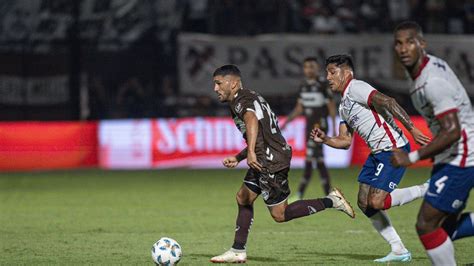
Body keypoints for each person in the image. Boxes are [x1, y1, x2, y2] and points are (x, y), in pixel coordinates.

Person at [210, 64, 355, 264]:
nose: (215, 89)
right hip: (267, 156)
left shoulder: (240, 101)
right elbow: (262, 134)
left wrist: (250, 152)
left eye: (218, 83)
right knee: (243, 197)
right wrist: (240, 156)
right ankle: (237, 250)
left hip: (270, 161)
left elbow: (251, 121)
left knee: (280, 215)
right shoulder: (250, 96)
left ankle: (331, 201)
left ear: (233, 83)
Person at [311, 54, 431, 263]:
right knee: (364, 203)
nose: (328, 77)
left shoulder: (356, 87)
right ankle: (399, 250)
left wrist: (411, 128)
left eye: (332, 72)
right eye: (327, 73)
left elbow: (388, 101)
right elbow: (345, 141)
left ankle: (426, 189)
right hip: (378, 153)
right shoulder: (343, 105)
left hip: (393, 148)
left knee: (376, 201)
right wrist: (325, 139)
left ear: (346, 72)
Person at [391, 21, 474, 265]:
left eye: (409, 42)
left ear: (422, 44)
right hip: (452, 154)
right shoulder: (420, 72)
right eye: (398, 43)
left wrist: (412, 157)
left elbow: (452, 131)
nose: (403, 48)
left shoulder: (431, 81)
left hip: (463, 154)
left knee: (426, 225)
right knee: (444, 229)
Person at [281, 57, 336, 200]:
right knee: (318, 160)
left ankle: (300, 193)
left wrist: (335, 128)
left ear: (317, 68)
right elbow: (299, 108)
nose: (309, 69)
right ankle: (329, 194)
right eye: (306, 67)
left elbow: (331, 106)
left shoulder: (323, 84)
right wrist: (287, 121)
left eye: (312, 66)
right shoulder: (303, 86)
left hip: (320, 126)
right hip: (308, 127)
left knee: (310, 157)